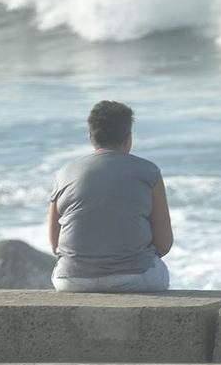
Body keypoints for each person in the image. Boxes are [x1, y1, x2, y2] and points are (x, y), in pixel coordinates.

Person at [47, 100, 174, 292]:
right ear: (128, 138)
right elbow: (164, 243)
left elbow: (55, 243)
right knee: (160, 272)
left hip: (71, 279)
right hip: (136, 278)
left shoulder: (64, 173)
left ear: (91, 137)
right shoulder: (149, 171)